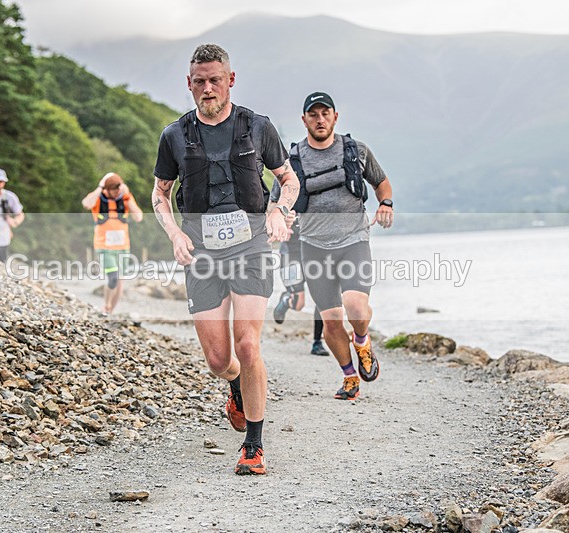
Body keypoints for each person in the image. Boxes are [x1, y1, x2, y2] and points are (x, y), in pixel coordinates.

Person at [151, 44, 299, 475]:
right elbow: (160, 193)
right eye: (199, 81)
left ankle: (254, 445)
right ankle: (234, 386)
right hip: (200, 251)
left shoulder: (257, 127)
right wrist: (174, 232)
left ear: (230, 80)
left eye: (215, 79)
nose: (207, 88)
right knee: (219, 360)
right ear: (189, 83)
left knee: (248, 344)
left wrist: (278, 210)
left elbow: (288, 181)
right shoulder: (174, 135)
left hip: (250, 245)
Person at [291, 91, 394, 401]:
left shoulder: (356, 150)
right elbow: (279, 199)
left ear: (336, 117)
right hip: (314, 246)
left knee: (356, 306)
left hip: (353, 240)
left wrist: (385, 203)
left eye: (326, 113)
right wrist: (278, 219)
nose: (320, 119)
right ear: (304, 120)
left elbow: (381, 182)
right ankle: (350, 377)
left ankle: (362, 341)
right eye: (314, 114)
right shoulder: (294, 158)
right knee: (331, 321)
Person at [268, 186, 329, 356]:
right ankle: (287, 299)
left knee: (322, 295)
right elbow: (272, 204)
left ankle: (317, 342)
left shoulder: (322, 176)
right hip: (291, 249)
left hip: (317, 246)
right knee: (299, 304)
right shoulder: (286, 173)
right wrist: (279, 224)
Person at [81, 172, 143, 315]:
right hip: (104, 246)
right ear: (107, 189)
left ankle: (110, 311)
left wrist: (127, 196)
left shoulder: (125, 198)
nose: (117, 193)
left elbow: (138, 216)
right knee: (113, 277)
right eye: (114, 190)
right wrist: (100, 186)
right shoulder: (98, 198)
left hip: (123, 246)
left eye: (118, 189)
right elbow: (86, 203)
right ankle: (106, 305)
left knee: (120, 281)